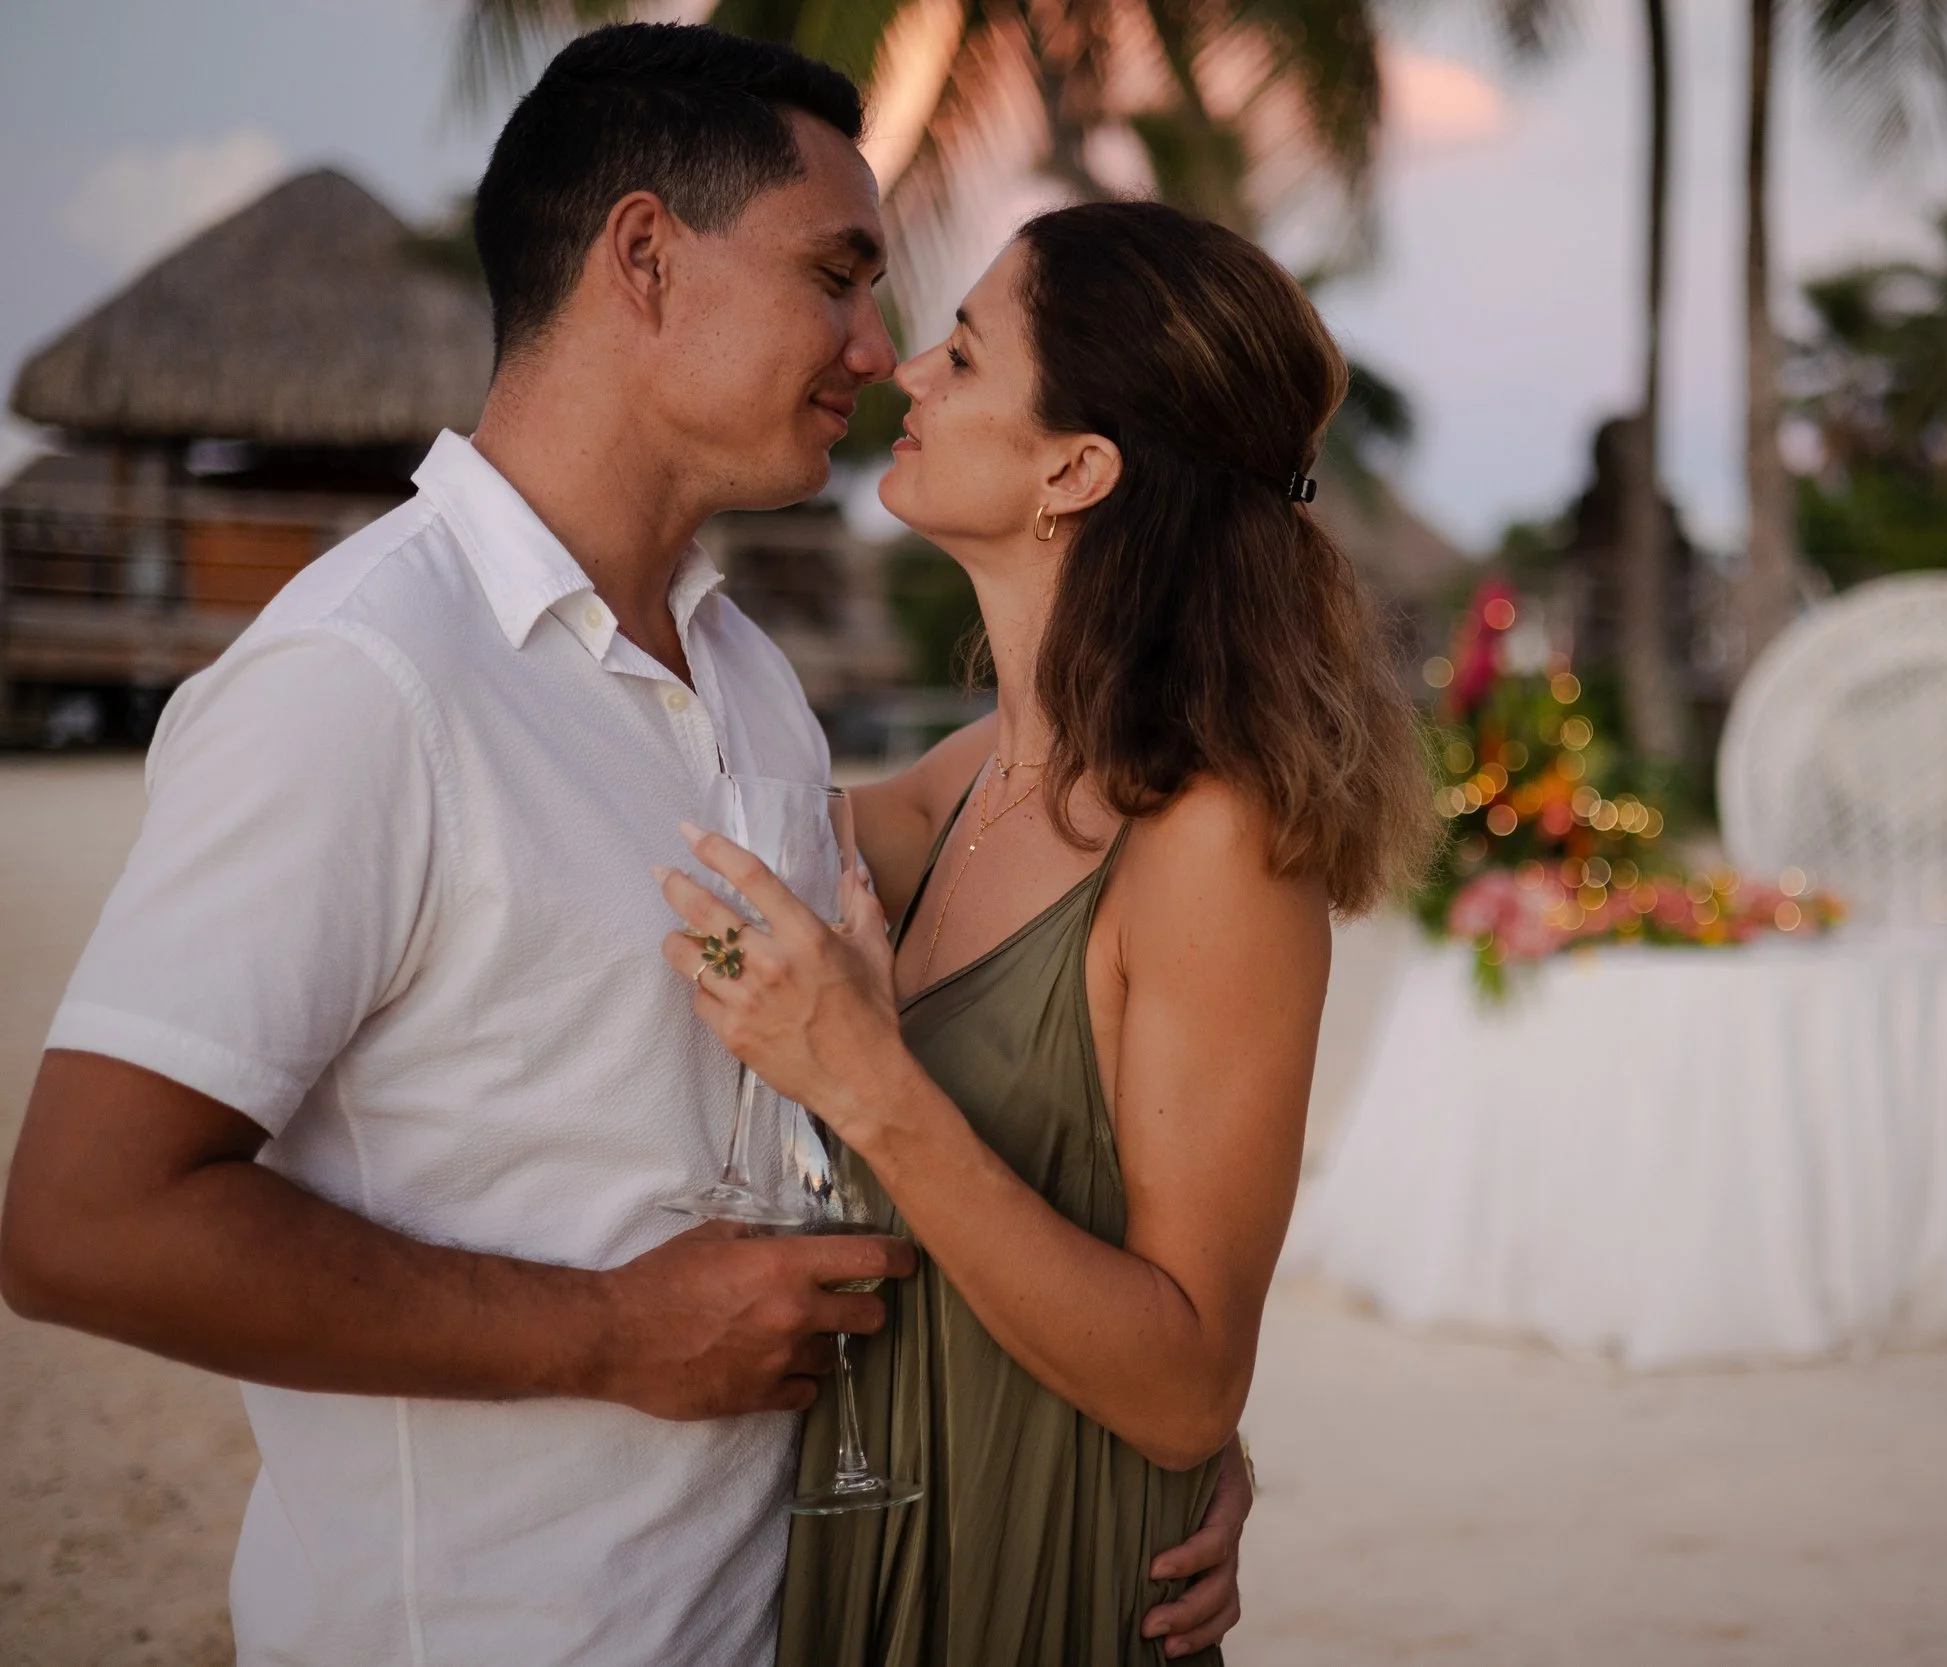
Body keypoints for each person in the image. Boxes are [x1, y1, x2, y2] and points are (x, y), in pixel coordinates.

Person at [0, 26, 1248, 1665]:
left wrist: (1144, 1442)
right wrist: (606, 1332)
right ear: (645, 257)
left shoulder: (746, 684)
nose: (874, 351)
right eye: (837, 275)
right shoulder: (366, 677)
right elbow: (79, 1221)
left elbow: (874, 1138)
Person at [653, 200, 1439, 1665]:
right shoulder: (967, 781)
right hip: (876, 1549)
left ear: (1075, 469)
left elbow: (1190, 1381)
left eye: (962, 351)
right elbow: (662, 849)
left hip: (1046, 1579)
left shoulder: (1210, 842)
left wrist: (876, 1088)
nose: (910, 376)